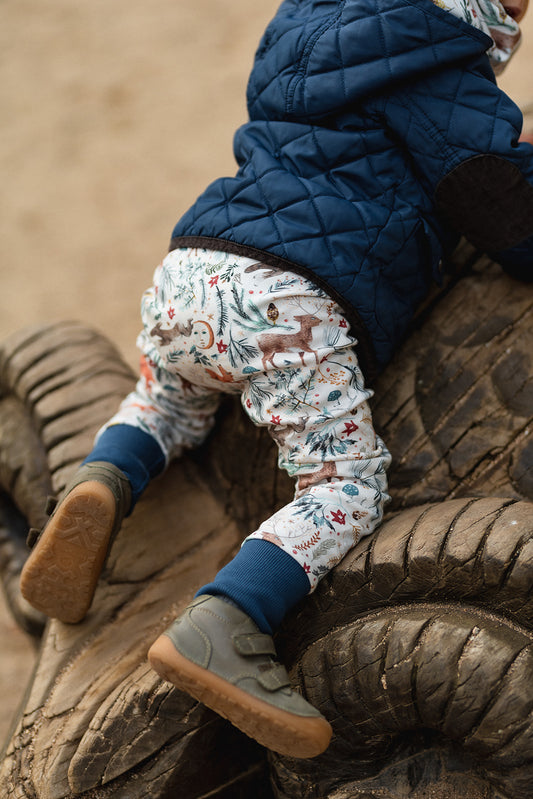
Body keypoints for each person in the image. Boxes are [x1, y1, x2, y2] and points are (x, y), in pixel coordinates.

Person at [20, 0, 532, 759]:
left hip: (193, 267)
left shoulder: (306, 32)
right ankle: (226, 620)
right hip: (289, 299)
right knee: (342, 486)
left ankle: (103, 479)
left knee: (165, 398)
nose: (519, 10)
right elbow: (496, 199)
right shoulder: (432, 62)